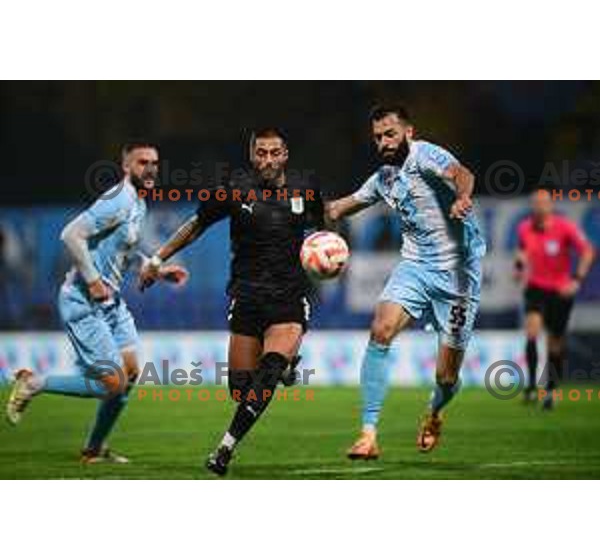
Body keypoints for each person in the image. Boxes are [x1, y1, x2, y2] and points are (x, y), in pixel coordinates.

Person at [139, 128, 323, 476]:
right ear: (252, 156)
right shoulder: (234, 189)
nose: (268, 160)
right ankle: (283, 367)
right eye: (261, 153)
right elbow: (196, 225)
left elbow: (323, 230)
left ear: (285, 155)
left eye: (275, 152)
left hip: (289, 299)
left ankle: (225, 448)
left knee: (265, 376)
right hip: (247, 297)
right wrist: (157, 258)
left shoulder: (305, 190)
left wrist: (326, 256)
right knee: (241, 390)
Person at [6, 143, 188, 462]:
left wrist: (156, 270)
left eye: (155, 163)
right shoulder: (117, 200)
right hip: (83, 302)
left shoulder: (138, 204)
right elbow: (70, 234)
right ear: (126, 166)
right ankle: (33, 382)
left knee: (130, 374)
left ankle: (94, 449)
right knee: (112, 383)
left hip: (111, 303)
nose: (150, 168)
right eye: (142, 162)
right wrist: (91, 278)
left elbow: (124, 253)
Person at [326, 104, 486, 458]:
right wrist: (291, 208)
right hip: (415, 265)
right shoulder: (383, 178)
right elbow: (337, 208)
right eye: (377, 137)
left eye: (390, 134)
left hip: (458, 275)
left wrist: (462, 196)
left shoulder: (425, 155)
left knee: (446, 376)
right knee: (380, 330)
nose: (383, 142)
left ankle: (435, 411)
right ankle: (368, 435)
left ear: (408, 132)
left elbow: (462, 173)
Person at [514, 189, 595, 409]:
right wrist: (519, 268)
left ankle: (550, 389)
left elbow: (588, 250)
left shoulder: (565, 227)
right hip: (535, 288)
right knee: (532, 332)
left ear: (550, 205)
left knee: (555, 343)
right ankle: (531, 386)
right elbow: (522, 251)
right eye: (535, 202)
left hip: (559, 292)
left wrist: (577, 279)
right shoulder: (524, 227)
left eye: (543, 202)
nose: (539, 206)